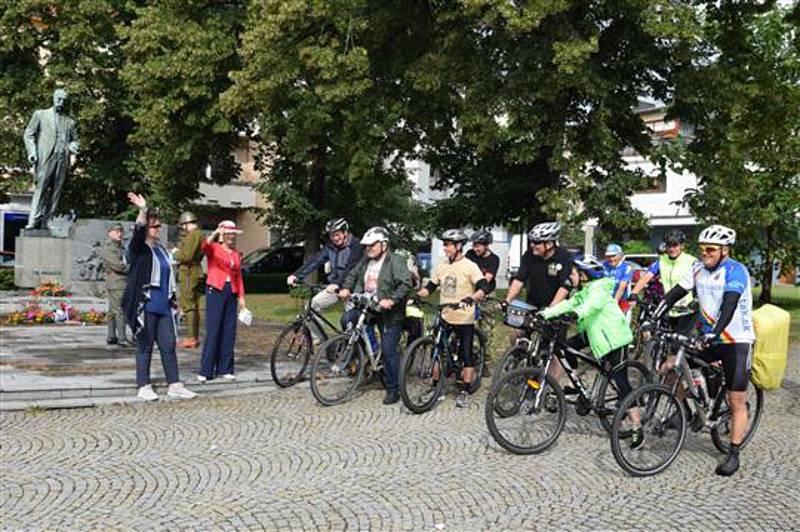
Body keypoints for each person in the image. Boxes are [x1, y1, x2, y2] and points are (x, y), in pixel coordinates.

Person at [651, 224, 755, 476]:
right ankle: (687, 411)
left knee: (735, 400)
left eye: (711, 249)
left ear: (724, 250)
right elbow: (675, 294)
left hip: (736, 340)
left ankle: (733, 452)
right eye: (702, 249)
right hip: (711, 337)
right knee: (672, 366)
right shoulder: (697, 269)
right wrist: (652, 317)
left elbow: (729, 305)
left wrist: (716, 331)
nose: (705, 253)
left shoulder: (736, 270)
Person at [540, 256, 643, 449]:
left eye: (574, 273)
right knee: (565, 346)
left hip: (613, 339)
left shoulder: (599, 290)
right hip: (595, 334)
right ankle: (575, 383)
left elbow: (590, 307)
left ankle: (637, 426)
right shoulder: (585, 291)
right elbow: (569, 304)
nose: (571, 276)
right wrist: (545, 313)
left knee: (622, 383)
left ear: (585, 275)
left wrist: (576, 314)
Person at [122, 193, 196, 401]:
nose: (158, 228)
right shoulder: (140, 249)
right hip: (146, 306)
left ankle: (175, 384)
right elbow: (137, 233)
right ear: (147, 228)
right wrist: (143, 210)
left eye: (159, 226)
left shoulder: (161, 250)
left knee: (168, 345)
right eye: (154, 226)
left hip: (164, 307)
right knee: (145, 345)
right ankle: (143, 385)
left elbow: (169, 278)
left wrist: (176, 300)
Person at [339, 227, 412, 405]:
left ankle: (393, 389)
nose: (368, 249)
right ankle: (369, 353)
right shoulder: (366, 260)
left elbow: (406, 283)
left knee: (389, 350)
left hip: (389, 312)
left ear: (384, 245)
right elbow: (353, 274)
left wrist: (392, 300)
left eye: (372, 245)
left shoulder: (395, 261)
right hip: (368, 307)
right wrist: (346, 288)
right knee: (347, 319)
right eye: (366, 246)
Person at [417, 229, 488, 408]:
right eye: (444, 245)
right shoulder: (441, 266)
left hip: (464, 318)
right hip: (445, 316)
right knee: (438, 351)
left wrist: (472, 297)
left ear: (458, 246)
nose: (445, 248)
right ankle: (435, 388)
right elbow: (431, 287)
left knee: (466, 353)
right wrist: (418, 295)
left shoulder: (470, 266)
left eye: (448, 245)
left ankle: (465, 390)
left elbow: (483, 287)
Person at [286, 218, 363, 337]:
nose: (335, 238)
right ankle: (322, 342)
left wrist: (337, 283)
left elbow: (351, 268)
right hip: (334, 288)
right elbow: (315, 261)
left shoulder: (356, 246)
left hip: (352, 288)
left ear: (345, 232)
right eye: (332, 236)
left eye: (337, 235)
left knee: (350, 324)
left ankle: (357, 352)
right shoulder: (330, 247)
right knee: (312, 307)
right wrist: (296, 275)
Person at [198, 221, 248, 382]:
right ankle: (206, 370)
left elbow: (238, 277)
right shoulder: (214, 249)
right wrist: (215, 233)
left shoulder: (235, 254)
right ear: (223, 235)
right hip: (215, 290)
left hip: (231, 292)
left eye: (233, 234)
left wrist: (241, 297)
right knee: (213, 330)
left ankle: (225, 368)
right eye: (228, 234)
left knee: (229, 331)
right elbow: (204, 246)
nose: (231, 237)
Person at [23, 89, 79, 230]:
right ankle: (33, 220)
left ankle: (47, 221)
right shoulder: (40, 115)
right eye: (59, 99)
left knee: (56, 192)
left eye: (64, 101)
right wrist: (32, 152)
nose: (61, 102)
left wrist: (73, 146)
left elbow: (75, 141)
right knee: (41, 189)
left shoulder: (70, 122)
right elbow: (28, 135)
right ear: (53, 98)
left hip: (62, 159)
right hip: (46, 157)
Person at [631, 229, 696, 334]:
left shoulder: (691, 261)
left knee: (679, 344)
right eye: (669, 245)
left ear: (682, 246)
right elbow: (647, 276)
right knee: (663, 339)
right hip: (668, 308)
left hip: (687, 311)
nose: (672, 249)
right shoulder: (661, 261)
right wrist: (634, 293)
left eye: (675, 245)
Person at [172, 211, 204, 349]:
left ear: (186, 224)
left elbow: (187, 256)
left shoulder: (193, 235)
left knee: (188, 305)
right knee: (193, 305)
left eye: (183, 225)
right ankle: (193, 337)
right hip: (194, 272)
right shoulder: (198, 235)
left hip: (189, 273)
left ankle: (191, 338)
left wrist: (175, 253)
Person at [101, 223, 130, 347]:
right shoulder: (109, 248)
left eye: (121, 231)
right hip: (116, 282)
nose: (120, 234)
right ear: (110, 233)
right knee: (120, 310)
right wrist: (132, 269)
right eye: (116, 231)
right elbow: (117, 265)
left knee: (113, 311)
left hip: (121, 282)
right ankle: (122, 338)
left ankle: (112, 336)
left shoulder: (119, 247)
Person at [465, 230, 500, 295]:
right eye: (473, 246)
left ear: (486, 246)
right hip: (469, 290)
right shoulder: (470, 254)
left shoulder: (494, 259)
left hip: (486, 292)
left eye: (477, 246)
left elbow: (486, 280)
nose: (474, 249)